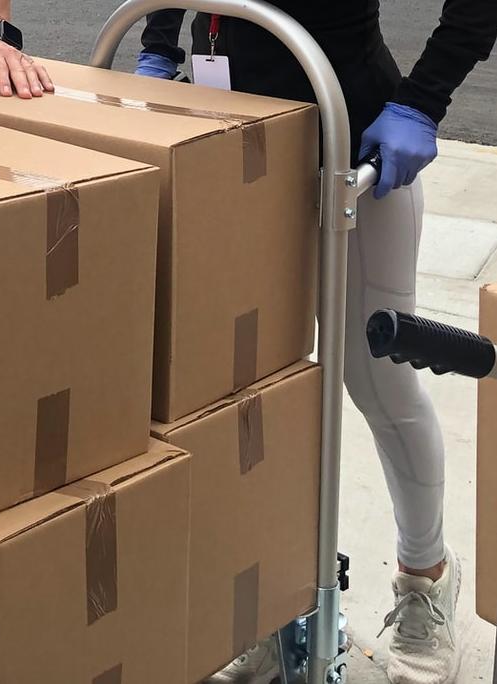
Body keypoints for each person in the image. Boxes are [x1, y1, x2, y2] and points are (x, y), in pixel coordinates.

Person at [135, 3, 497, 683]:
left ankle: (426, 578)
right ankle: (272, 603)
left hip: (354, 138)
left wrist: (423, 102)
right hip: (223, 133)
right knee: (242, 393)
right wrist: (158, 44)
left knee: (377, 380)